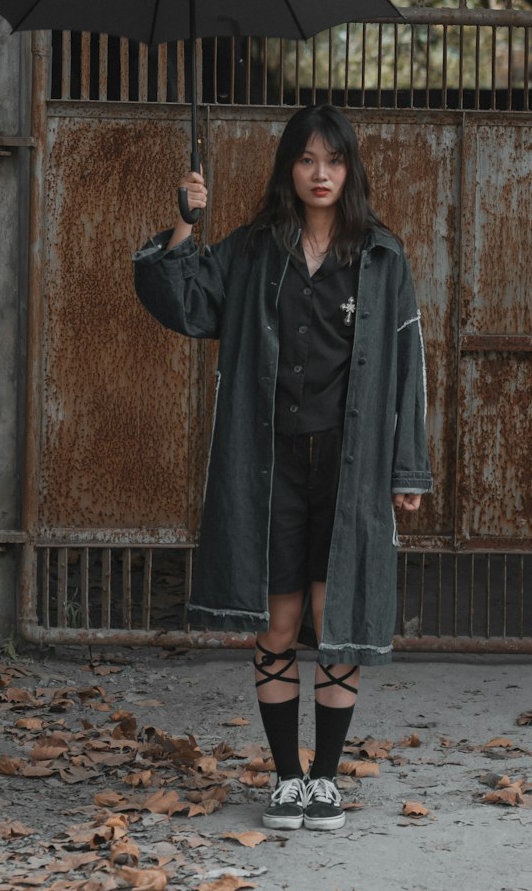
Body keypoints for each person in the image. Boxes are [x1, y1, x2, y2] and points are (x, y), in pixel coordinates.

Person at [133, 104, 432, 833]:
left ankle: (326, 779)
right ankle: (287, 778)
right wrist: (187, 225)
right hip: (270, 463)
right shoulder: (255, 249)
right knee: (279, 621)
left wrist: (409, 471)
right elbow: (186, 302)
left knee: (335, 619)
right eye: (306, 160)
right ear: (288, 169)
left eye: (333, 160)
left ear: (350, 169)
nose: (320, 174)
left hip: (349, 463)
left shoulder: (383, 256)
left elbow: (408, 371)